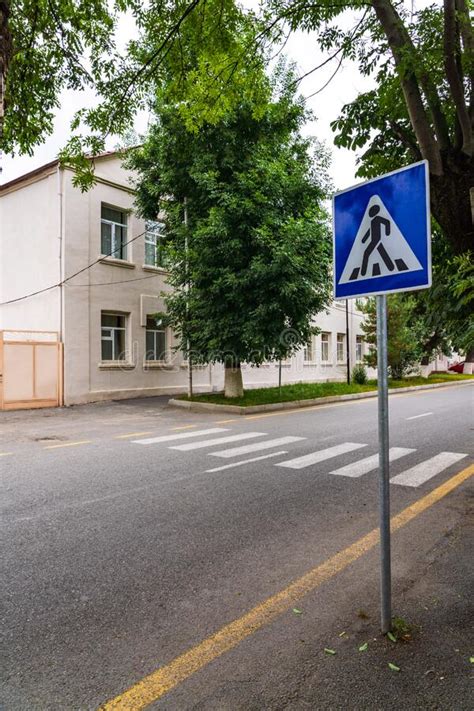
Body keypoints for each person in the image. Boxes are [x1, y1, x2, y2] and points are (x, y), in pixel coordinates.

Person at [360, 204, 394, 277]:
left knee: (366, 253)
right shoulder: (372, 221)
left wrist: (387, 232)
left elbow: (387, 222)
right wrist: (364, 239)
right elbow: (369, 231)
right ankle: (391, 267)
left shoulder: (378, 218)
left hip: (377, 239)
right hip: (375, 239)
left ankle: (363, 273)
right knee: (382, 252)